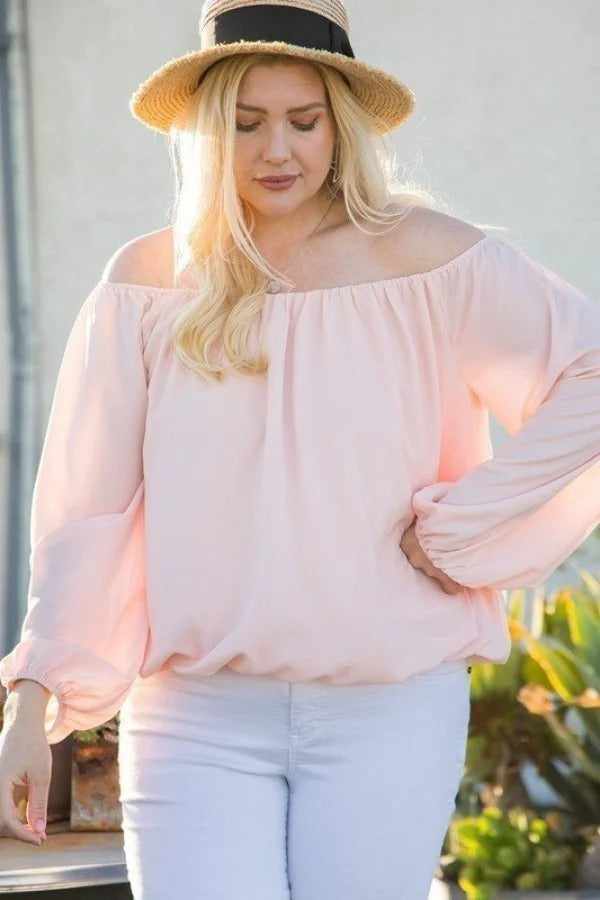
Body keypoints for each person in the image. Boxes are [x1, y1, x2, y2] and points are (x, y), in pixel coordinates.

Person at [1, 1, 599, 897]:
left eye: (302, 121)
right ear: (206, 133)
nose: (275, 150)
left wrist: (462, 530)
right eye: (245, 124)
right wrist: (34, 694)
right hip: (194, 714)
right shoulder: (148, 284)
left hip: (389, 711)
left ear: (341, 125)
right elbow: (86, 511)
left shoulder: (430, 263)